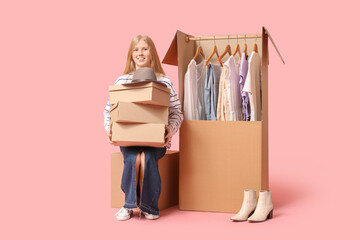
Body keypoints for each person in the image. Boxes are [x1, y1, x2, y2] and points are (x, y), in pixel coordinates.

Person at [103, 35, 183, 220]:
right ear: (131, 55)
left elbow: (176, 111)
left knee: (146, 157)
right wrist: (110, 129)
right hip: (128, 138)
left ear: (152, 53)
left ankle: (149, 206)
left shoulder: (164, 82)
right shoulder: (121, 81)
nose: (140, 53)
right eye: (136, 49)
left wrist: (170, 130)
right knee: (132, 157)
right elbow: (109, 111)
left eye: (145, 49)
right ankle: (128, 205)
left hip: (156, 140)